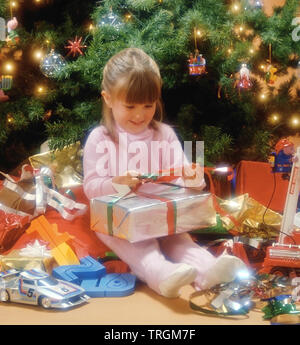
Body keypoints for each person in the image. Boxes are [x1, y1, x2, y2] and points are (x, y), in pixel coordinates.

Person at [83, 47, 245, 298]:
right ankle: (160, 274)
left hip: (161, 215)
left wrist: (192, 180)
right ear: (108, 99)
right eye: (130, 106)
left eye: (148, 105)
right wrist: (117, 183)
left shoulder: (165, 134)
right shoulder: (100, 138)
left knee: (180, 242)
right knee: (143, 247)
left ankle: (209, 270)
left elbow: (181, 176)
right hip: (116, 221)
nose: (140, 114)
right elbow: (91, 187)